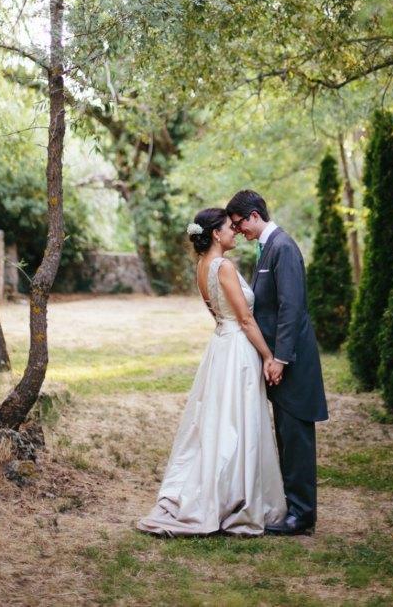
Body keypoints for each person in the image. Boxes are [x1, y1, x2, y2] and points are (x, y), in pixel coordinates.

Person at [137, 207, 286, 537]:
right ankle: (237, 497)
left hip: (220, 345)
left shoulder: (201, 267)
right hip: (237, 349)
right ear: (216, 234)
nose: (235, 232)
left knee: (218, 421)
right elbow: (245, 319)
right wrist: (267, 356)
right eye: (230, 228)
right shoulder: (225, 267)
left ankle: (222, 489)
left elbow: (218, 313)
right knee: (239, 420)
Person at [226, 190, 328, 537]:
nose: (238, 232)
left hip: (294, 362)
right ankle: (292, 507)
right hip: (281, 363)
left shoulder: (283, 247)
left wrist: (280, 358)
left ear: (255, 215)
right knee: (286, 433)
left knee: (297, 436)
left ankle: (302, 515)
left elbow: (291, 308)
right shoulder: (267, 248)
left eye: (239, 224)